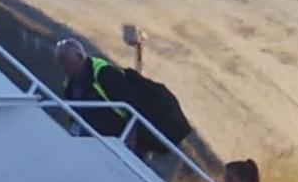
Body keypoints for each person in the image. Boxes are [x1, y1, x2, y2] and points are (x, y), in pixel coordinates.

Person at [54, 36, 195, 170]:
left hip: (121, 141)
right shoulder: (70, 86)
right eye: (60, 62)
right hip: (96, 144)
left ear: (79, 56)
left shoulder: (104, 73)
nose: (63, 66)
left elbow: (132, 106)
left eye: (65, 61)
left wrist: (131, 144)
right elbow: (74, 119)